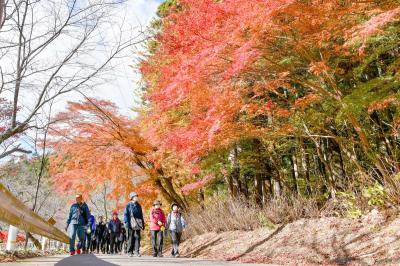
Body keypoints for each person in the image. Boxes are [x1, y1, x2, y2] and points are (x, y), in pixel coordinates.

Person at [124, 192, 144, 257]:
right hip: (130, 223)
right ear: (132, 198)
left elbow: (141, 215)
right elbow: (126, 214)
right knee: (130, 237)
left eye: (136, 196)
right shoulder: (128, 205)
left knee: (138, 237)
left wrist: (142, 224)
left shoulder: (139, 205)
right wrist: (127, 222)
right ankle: (130, 251)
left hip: (138, 223)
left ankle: (137, 252)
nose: (136, 198)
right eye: (135, 196)